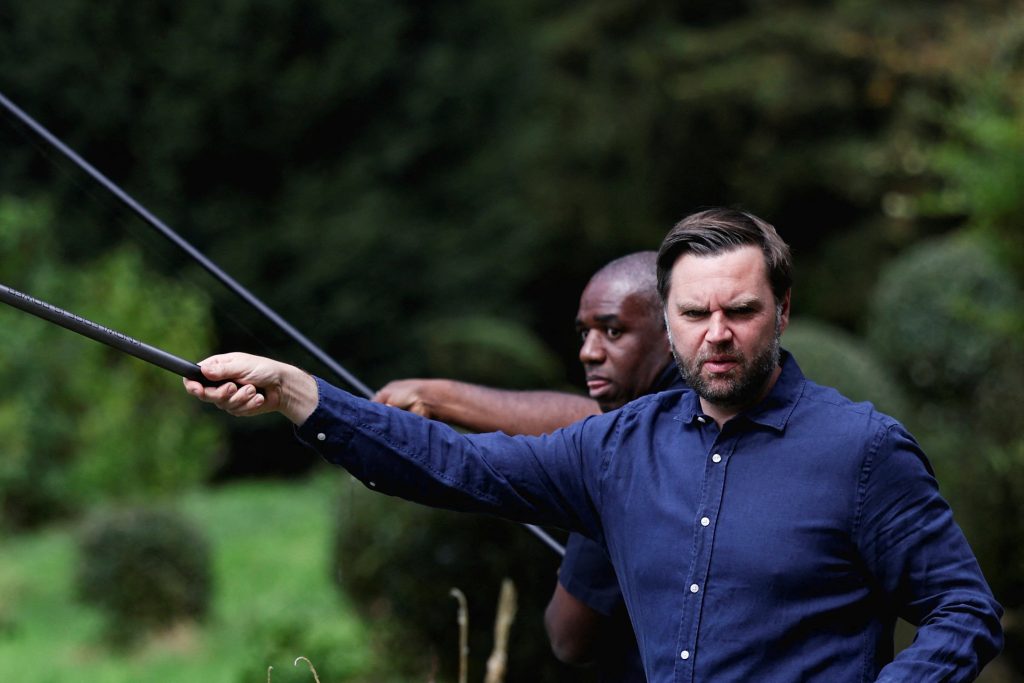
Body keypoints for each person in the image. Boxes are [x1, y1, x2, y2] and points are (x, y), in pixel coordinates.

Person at [184, 208, 1003, 682]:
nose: (717, 334)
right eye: (695, 314)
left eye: (742, 311)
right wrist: (297, 391)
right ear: (671, 321)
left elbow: (964, 611)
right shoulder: (618, 447)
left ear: (782, 311)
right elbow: (455, 464)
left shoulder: (862, 450)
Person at [373, 251, 679, 682]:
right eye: (584, 333)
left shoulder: (627, 461)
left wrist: (580, 546)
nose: (588, 352)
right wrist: (440, 396)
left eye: (613, 331)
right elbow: (589, 422)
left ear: (672, 330)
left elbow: (569, 636)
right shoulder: (705, 408)